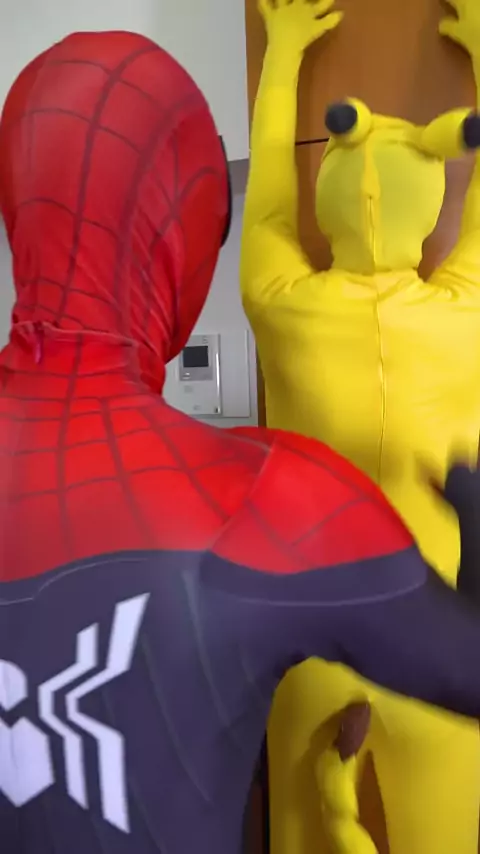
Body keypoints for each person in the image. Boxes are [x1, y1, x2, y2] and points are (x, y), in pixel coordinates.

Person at [2, 27, 480, 854]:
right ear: (190, 224)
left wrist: (284, 53)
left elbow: (268, 215)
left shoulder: (281, 320)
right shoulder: (271, 495)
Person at [241, 0, 480, 852]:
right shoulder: (467, 314)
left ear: (330, 197)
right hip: (438, 640)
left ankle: (334, 822)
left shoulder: (278, 302)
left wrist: (284, 54)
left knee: (297, 834)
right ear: (429, 205)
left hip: (305, 633)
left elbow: (269, 203)